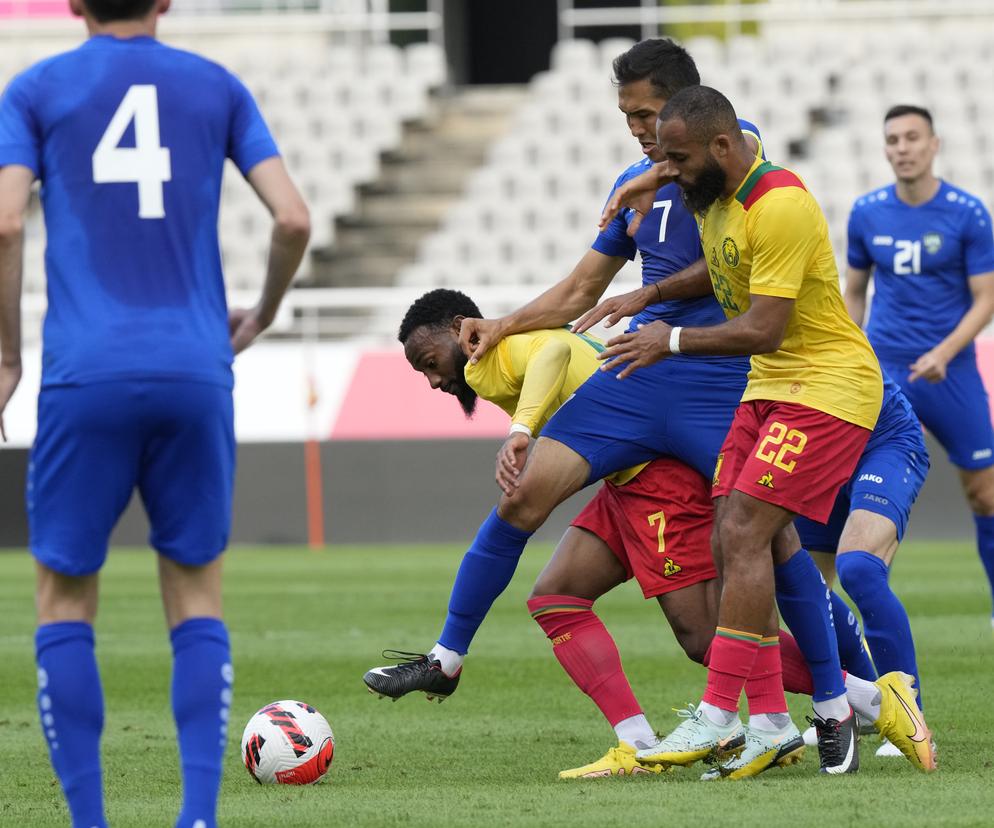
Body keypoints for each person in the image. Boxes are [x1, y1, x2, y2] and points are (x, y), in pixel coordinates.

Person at [385, 288, 913, 780]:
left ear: (460, 329)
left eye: (430, 363)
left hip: (657, 481)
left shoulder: (494, 354)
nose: (433, 381)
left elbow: (555, 353)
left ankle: (867, 700)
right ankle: (635, 742)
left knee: (708, 635)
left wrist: (522, 428)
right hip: (621, 478)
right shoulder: (503, 348)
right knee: (555, 597)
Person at [0, 1, 310, 825]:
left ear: (73, 2)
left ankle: (91, 822)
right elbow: (293, 216)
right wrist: (266, 312)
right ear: (165, 0)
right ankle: (198, 817)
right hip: (194, 365)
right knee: (196, 593)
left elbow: (2, 224)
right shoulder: (216, 87)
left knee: (64, 599)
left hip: (84, 369)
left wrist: (6, 357)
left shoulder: (34, 89)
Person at [591, 83, 935, 775]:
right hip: (769, 385)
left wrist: (671, 341)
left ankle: (721, 712)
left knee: (747, 530)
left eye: (682, 160)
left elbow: (763, 325)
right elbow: (709, 271)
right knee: (735, 531)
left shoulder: (779, 204)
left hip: (828, 386)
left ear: (721, 148)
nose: (676, 173)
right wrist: (651, 180)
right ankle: (787, 718)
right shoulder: (712, 194)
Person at [845, 104, 994, 631]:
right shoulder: (866, 212)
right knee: (864, 489)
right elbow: (856, 291)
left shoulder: (968, 213)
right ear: (885, 149)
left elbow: (985, 300)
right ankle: (870, 612)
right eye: (893, 139)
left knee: (985, 490)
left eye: (912, 137)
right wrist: (852, 350)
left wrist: (945, 352)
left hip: (950, 370)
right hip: (885, 369)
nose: (902, 147)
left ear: (934, 145)